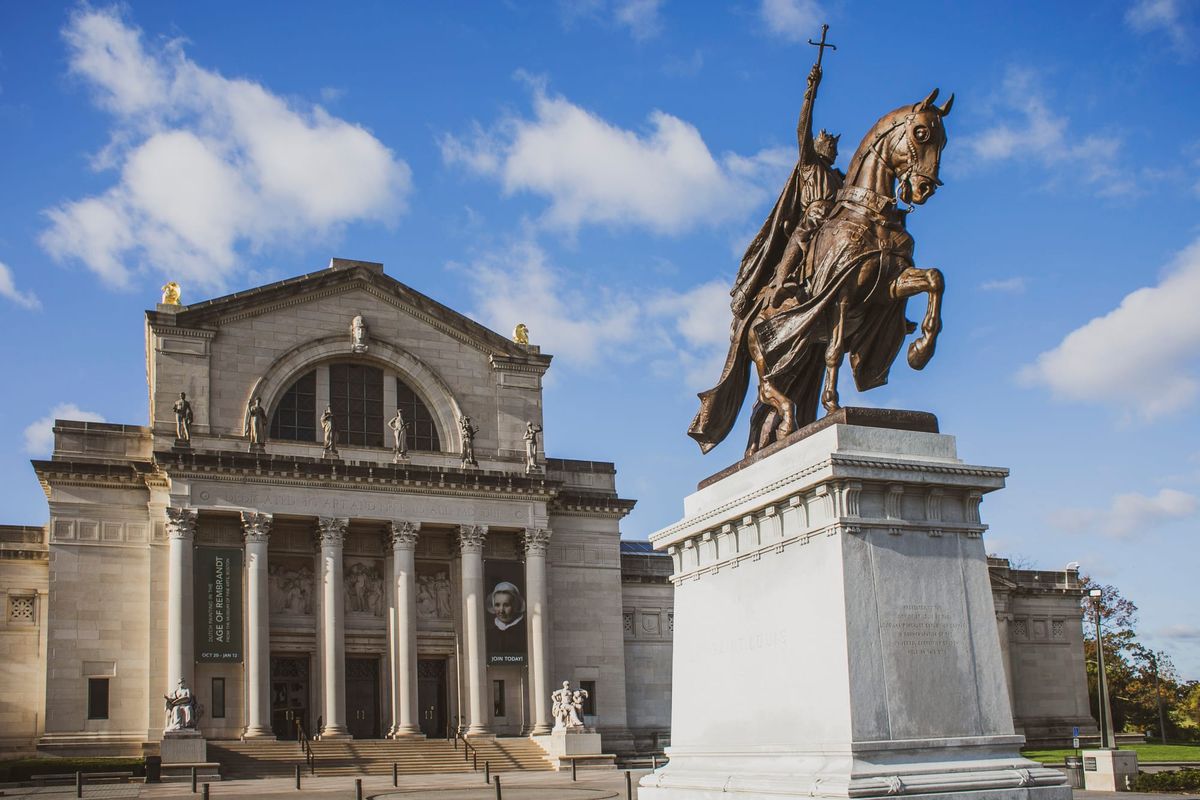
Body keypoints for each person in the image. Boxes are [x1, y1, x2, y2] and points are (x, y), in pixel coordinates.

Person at [485, 581, 526, 663]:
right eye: (497, 605)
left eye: (506, 605)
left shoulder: (525, 632)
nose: (501, 610)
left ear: (515, 605)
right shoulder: (489, 634)